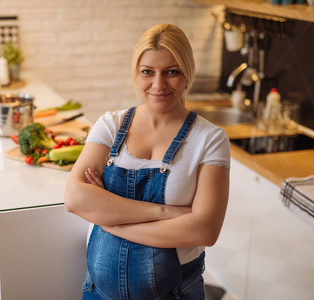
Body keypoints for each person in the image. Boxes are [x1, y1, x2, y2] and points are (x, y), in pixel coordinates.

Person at [64, 23, 231, 300]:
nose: (158, 84)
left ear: (187, 73)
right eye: (147, 72)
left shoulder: (210, 139)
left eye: (172, 72)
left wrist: (111, 220)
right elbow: (74, 199)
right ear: (136, 74)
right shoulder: (110, 125)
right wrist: (167, 212)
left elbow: (205, 229)